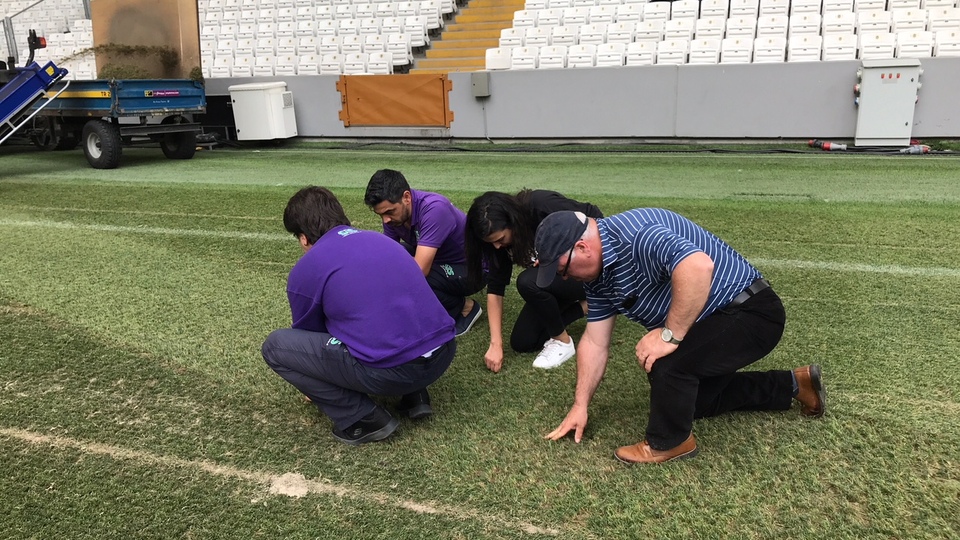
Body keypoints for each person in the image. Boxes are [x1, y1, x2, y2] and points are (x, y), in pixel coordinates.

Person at [536, 209, 825, 464]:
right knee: (691, 401)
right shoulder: (597, 278)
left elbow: (697, 266)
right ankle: (794, 384)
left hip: (751, 312)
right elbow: (595, 342)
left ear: (582, 247)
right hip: (713, 321)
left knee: (667, 365)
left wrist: (669, 336)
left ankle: (669, 442)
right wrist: (580, 405)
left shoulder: (637, 234)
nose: (565, 279)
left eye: (562, 270)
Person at [261, 186, 457, 446]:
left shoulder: (306, 268)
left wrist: (315, 382)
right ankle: (416, 396)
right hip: (444, 352)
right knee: (391, 316)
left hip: (394, 372)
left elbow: (311, 335)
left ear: (304, 238)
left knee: (275, 347)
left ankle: (363, 418)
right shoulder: (383, 241)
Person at [465, 190, 603, 371]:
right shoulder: (497, 245)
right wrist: (496, 344)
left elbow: (595, 217)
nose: (497, 246)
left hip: (591, 273)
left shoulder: (540, 205)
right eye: (491, 242)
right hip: (556, 281)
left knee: (528, 281)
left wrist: (574, 255)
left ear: (513, 222)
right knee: (523, 341)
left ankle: (563, 341)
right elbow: (496, 289)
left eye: (500, 239)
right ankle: (589, 305)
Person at [364, 169, 484, 336]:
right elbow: (388, 255)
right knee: (395, 258)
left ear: (406, 197)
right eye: (381, 215)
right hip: (438, 259)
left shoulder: (434, 209)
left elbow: (419, 271)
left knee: (415, 276)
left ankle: (465, 307)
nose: (386, 220)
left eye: (389, 212)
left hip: (472, 269)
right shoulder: (393, 217)